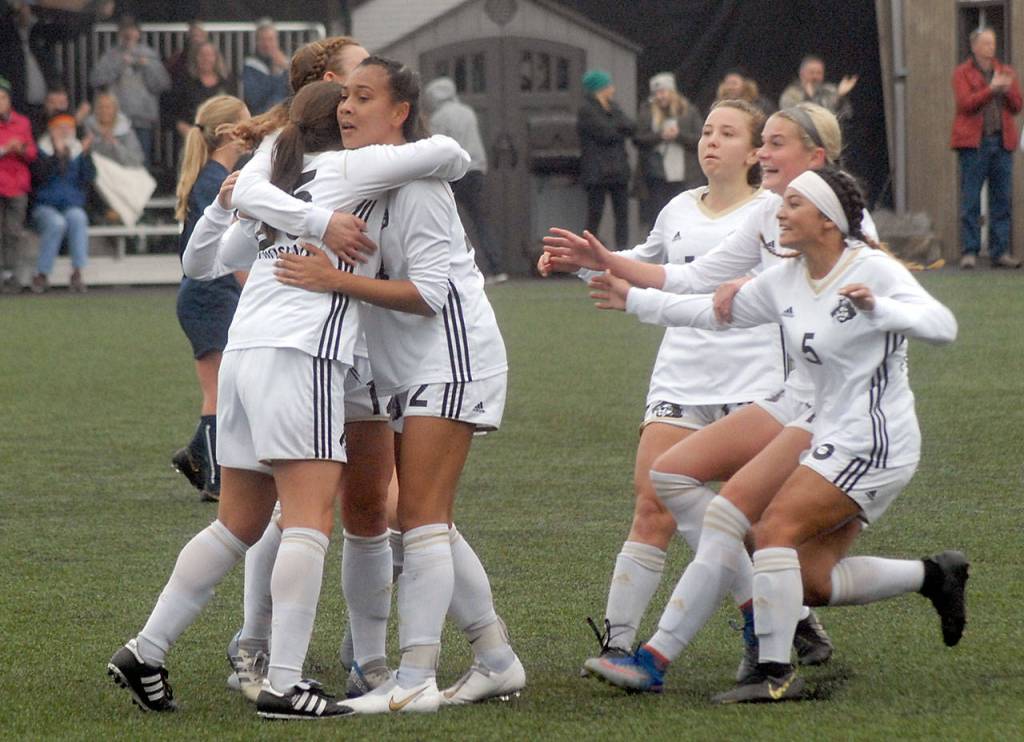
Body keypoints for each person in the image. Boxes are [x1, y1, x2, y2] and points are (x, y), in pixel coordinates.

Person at [106, 79, 471, 721]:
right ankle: (284, 683)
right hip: (301, 355)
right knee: (308, 519)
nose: (358, 110)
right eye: (350, 104)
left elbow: (221, 255)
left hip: (245, 353)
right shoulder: (351, 164)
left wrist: (266, 189)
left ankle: (146, 647)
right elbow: (453, 155)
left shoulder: (280, 182)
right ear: (340, 124)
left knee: (239, 523)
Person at [585, 167, 965, 704]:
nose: (778, 213)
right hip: (817, 424)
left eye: (792, 204)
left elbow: (943, 325)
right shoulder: (788, 276)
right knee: (807, 577)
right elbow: (714, 311)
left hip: (873, 440)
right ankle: (934, 576)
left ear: (828, 220)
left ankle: (763, 670)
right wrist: (634, 300)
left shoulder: (872, 269)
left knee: (774, 530)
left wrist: (882, 310)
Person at [542, 103, 866, 680]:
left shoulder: (791, 214)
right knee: (655, 502)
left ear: (755, 152)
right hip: (682, 377)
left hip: (760, 385)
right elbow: (661, 272)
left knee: (751, 528)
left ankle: (780, 622)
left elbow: (832, 283)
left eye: (735, 134)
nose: (714, 142)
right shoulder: (682, 210)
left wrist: (761, 286)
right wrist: (588, 265)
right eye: (709, 132)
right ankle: (625, 644)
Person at [250, 56, 526, 715]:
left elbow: (430, 296)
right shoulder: (365, 179)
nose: (347, 108)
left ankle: (413, 681)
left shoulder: (422, 182)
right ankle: (495, 658)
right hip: (411, 368)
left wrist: (334, 280)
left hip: (454, 357)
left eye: (364, 97)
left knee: (424, 518)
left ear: (399, 113)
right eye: (345, 97)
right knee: (424, 517)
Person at [170, 95, 251, 502]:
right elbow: (224, 247)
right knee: (218, 389)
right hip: (207, 295)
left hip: (211, 294)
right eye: (246, 119)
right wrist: (253, 285)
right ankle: (216, 481)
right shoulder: (215, 182)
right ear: (229, 132)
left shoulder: (217, 175)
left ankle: (196, 456)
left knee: (229, 386)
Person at [423, 75, 506, 284]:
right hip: (476, 169)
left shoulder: (438, 117)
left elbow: (437, 148)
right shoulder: (468, 112)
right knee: (481, 220)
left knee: (449, 221)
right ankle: (497, 268)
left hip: (452, 174)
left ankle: (460, 268)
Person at [951, 27, 1022, 270]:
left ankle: (999, 251)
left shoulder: (1005, 71)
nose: (991, 48)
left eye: (993, 43)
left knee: (1001, 198)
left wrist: (1007, 89)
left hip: (1001, 142)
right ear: (974, 46)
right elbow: (965, 104)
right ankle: (969, 251)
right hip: (974, 143)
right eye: (986, 43)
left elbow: (1017, 106)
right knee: (971, 197)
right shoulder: (962, 73)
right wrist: (990, 90)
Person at [90, 15, 171, 167]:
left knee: (142, 161)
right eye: (124, 30)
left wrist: (147, 66)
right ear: (119, 33)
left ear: (138, 33)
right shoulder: (110, 55)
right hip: (116, 120)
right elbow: (96, 80)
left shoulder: (149, 55)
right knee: (117, 161)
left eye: (132, 30)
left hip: (143, 119)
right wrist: (120, 64)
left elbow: (162, 84)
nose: (128, 34)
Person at [30, 112, 94, 293]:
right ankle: (42, 274)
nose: (65, 131)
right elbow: (38, 178)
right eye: (60, 127)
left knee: (78, 218)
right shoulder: (41, 151)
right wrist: (56, 155)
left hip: (71, 205)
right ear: (51, 130)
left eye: (69, 127)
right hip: (44, 206)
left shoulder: (78, 152)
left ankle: (77, 272)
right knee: (56, 223)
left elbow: (89, 178)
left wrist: (86, 155)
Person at [634, 72, 703, 229]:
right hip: (657, 175)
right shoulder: (647, 112)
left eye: (663, 91)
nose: (660, 96)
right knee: (657, 215)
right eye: (656, 93)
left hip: (685, 176)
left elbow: (699, 139)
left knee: (682, 216)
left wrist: (679, 136)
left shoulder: (688, 111)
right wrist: (660, 136)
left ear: (672, 92)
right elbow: (638, 139)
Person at [577, 69, 634, 251]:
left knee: (622, 216)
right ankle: (586, 253)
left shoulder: (614, 107)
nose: (612, 89)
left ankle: (622, 253)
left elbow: (631, 126)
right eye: (608, 85)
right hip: (597, 172)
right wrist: (618, 127)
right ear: (599, 88)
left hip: (618, 170)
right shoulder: (586, 109)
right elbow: (605, 133)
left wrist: (616, 125)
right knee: (595, 215)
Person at [0, 75, 37, 293]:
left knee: (13, 232)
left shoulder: (22, 122)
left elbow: (32, 153)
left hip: (17, 184)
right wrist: (7, 148)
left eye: (2, 97)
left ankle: (11, 273)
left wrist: (20, 149)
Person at [173, 42, 238, 141]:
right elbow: (174, 113)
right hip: (192, 139)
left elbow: (235, 111)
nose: (205, 59)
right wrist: (185, 129)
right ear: (195, 58)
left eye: (209, 55)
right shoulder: (184, 83)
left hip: (220, 140)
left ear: (216, 58)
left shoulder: (227, 84)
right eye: (202, 55)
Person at [779, 55, 857, 123]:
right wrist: (809, 98)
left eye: (819, 73)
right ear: (801, 73)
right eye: (811, 72)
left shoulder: (830, 90)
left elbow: (847, 116)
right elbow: (797, 120)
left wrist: (840, 96)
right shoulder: (791, 95)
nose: (815, 77)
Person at [84, 91, 144, 168]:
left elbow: (136, 160)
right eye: (100, 107)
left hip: (122, 172)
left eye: (108, 107)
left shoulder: (126, 132)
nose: (104, 111)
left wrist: (115, 144)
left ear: (115, 110)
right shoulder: (88, 129)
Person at [242, 19, 291, 116]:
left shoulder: (287, 64)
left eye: (271, 39)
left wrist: (287, 68)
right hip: (261, 117)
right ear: (257, 42)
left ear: (277, 41)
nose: (267, 44)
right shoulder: (250, 65)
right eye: (263, 39)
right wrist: (275, 75)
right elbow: (254, 98)